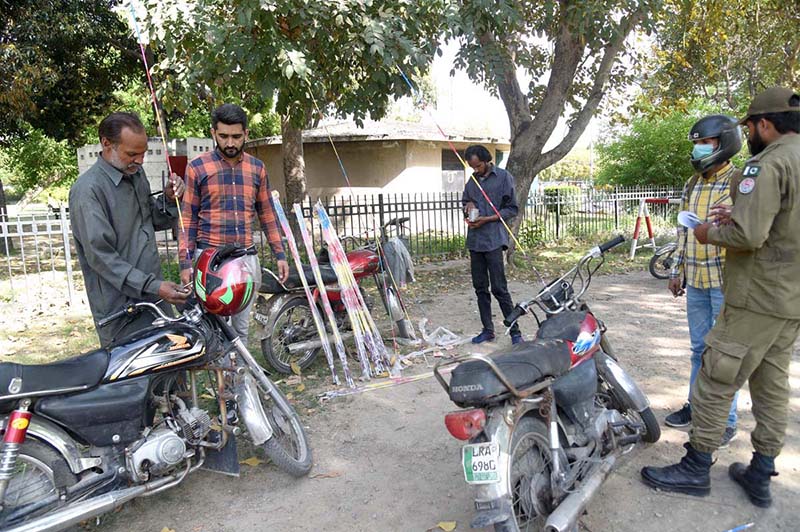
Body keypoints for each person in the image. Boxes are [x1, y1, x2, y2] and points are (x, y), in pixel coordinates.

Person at [641, 87, 800, 509]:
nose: (749, 133)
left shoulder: (764, 165)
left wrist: (708, 231)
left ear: (764, 125)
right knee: (770, 386)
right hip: (789, 299)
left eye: (751, 126)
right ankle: (761, 472)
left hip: (755, 297)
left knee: (714, 378)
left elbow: (747, 236)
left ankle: (695, 468)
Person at [69, 111, 189, 346]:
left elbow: (152, 219)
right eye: (132, 154)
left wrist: (168, 198)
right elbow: (102, 258)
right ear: (106, 144)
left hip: (155, 299)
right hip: (122, 311)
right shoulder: (88, 191)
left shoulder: (136, 174)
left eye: (143, 154)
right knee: (135, 381)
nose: (140, 161)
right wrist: (153, 287)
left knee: (172, 370)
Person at [179, 104, 288, 346]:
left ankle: (241, 380)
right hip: (210, 260)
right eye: (224, 136)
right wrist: (185, 262)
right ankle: (223, 381)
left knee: (241, 327)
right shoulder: (197, 167)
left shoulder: (257, 168)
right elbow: (187, 219)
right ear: (213, 133)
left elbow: (267, 214)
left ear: (246, 134)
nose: (230, 143)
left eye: (236, 137)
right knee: (216, 328)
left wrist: (280, 254)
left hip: (245, 259)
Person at [664, 114, 741, 449]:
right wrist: (675, 270)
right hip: (695, 279)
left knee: (723, 354)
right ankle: (696, 407)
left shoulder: (739, 182)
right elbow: (684, 231)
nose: (698, 150)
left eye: (704, 143)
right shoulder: (692, 184)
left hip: (726, 282)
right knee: (698, 350)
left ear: (722, 144)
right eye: (696, 144)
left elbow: (748, 231)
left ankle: (726, 420)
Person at [461, 145, 522, 345]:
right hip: (475, 241)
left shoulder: (504, 177)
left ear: (487, 161)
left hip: (494, 239)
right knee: (480, 288)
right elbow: (465, 202)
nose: (475, 170)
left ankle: (515, 333)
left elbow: (512, 208)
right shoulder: (472, 181)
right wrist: (467, 208)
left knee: (499, 287)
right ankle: (488, 330)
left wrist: (488, 219)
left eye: (477, 166)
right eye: (472, 167)